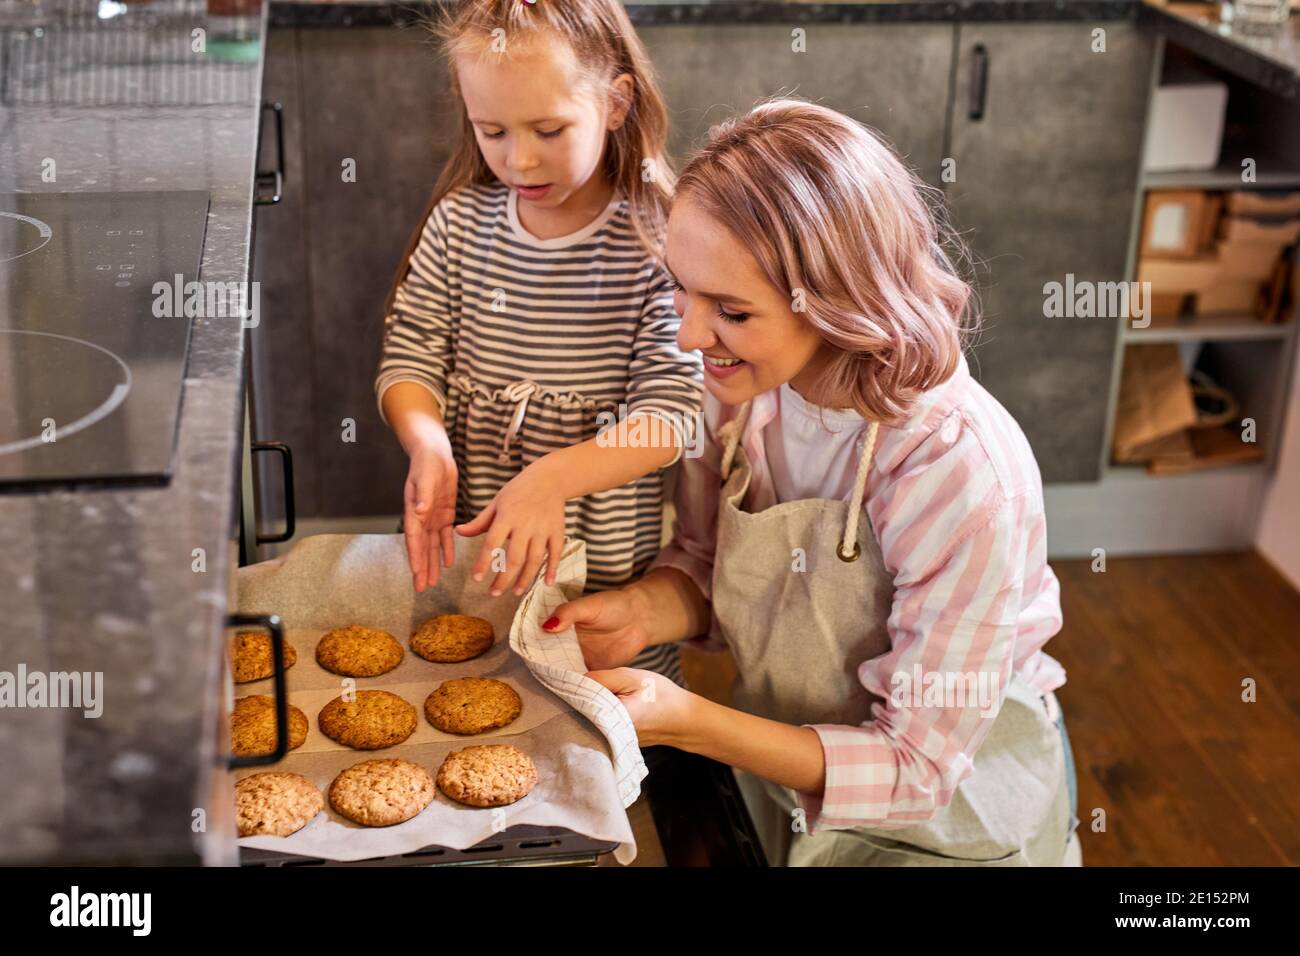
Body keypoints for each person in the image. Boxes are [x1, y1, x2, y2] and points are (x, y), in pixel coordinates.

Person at [544, 99, 1081, 865]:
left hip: (949, 820)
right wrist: (640, 613)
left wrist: (685, 720)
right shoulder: (736, 392)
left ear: (839, 303)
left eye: (730, 310)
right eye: (683, 290)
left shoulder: (959, 473)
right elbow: (705, 563)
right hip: (783, 767)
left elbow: (916, 767)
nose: (690, 336)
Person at [375, 0, 702, 684]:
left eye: (549, 130)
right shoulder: (461, 225)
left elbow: (672, 416)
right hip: (480, 570)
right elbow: (411, 355)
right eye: (491, 131)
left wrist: (551, 478)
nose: (519, 158)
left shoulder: (659, 242)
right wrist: (426, 441)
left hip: (603, 587)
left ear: (616, 103)